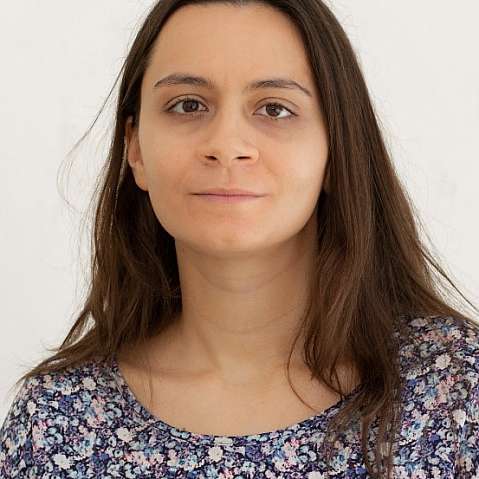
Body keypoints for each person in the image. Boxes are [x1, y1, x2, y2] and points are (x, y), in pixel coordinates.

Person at [1, 1, 478, 477]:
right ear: (137, 148)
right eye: (188, 105)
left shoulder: (457, 393)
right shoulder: (55, 421)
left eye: (275, 109)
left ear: (336, 149)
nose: (226, 145)